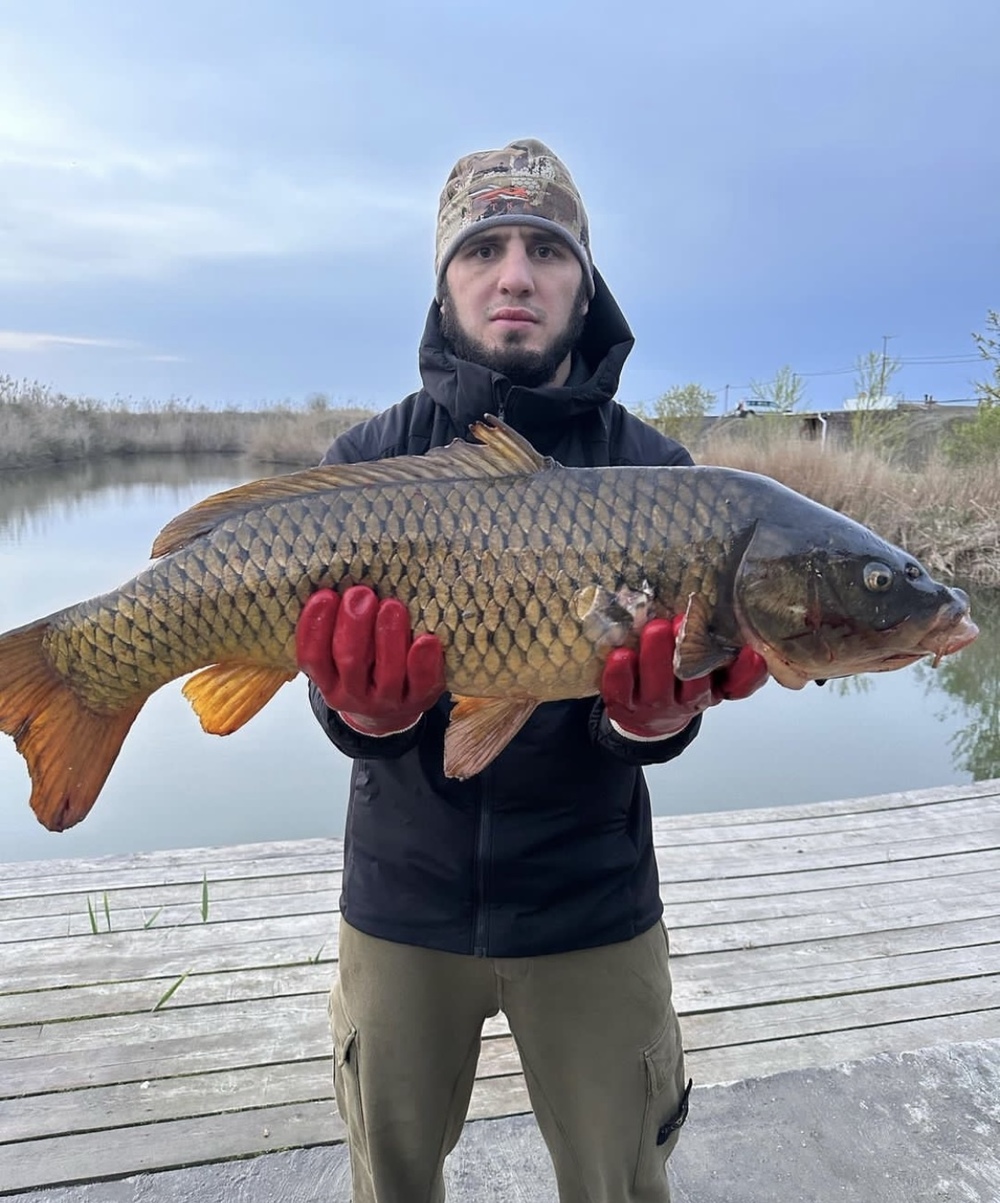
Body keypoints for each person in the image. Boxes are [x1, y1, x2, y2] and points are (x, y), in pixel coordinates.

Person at [294, 138, 768, 1203]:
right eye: (485, 249)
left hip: (589, 900)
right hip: (401, 899)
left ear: (583, 280)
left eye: (547, 249)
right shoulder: (364, 465)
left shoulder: (661, 477)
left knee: (620, 1183)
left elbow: (670, 704)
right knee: (392, 1182)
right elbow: (335, 701)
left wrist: (653, 725)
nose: (515, 275)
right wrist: (366, 716)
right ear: (445, 279)